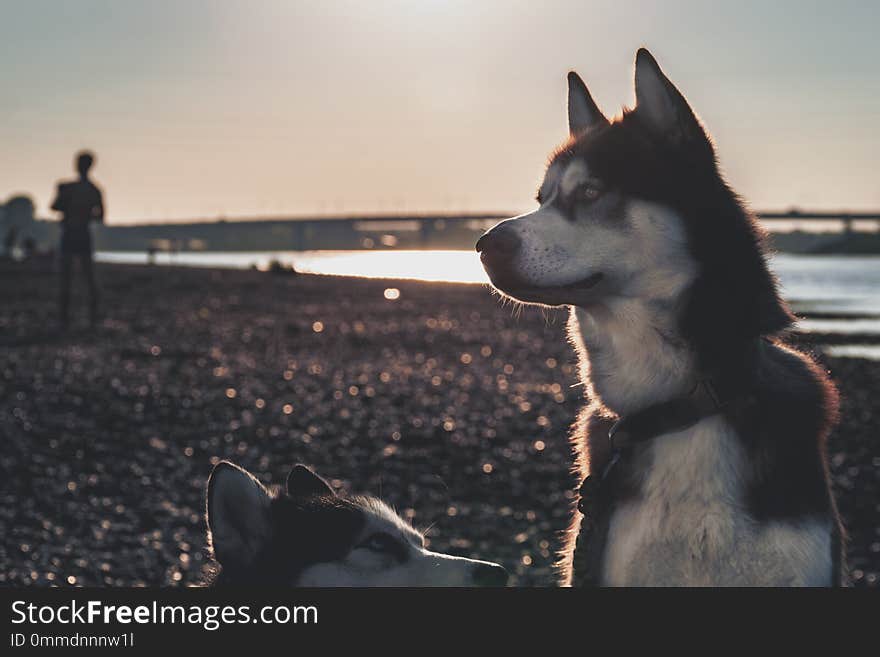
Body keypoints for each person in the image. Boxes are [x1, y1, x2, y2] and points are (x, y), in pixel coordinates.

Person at [51, 150, 104, 328]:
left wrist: (69, 205)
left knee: (68, 277)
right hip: (81, 234)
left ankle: (66, 318)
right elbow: (101, 217)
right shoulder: (94, 189)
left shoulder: (68, 188)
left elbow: (54, 206)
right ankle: (91, 318)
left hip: (71, 234)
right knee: (87, 276)